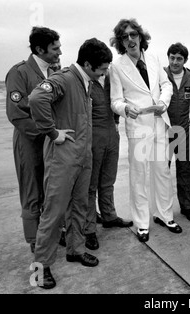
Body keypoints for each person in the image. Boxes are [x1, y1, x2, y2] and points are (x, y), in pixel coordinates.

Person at [29, 38, 113, 289]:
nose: (105, 72)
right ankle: (40, 268)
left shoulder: (85, 82)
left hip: (82, 157)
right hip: (63, 159)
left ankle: (75, 250)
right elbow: (35, 99)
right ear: (87, 64)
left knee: (80, 205)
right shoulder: (64, 79)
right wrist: (53, 133)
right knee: (54, 214)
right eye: (102, 68)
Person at [109, 18, 181, 243]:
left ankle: (164, 215)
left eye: (133, 35)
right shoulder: (116, 66)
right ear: (120, 42)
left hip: (159, 121)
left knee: (162, 171)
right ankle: (142, 223)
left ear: (140, 37)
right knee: (139, 176)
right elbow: (115, 100)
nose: (130, 40)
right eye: (125, 37)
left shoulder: (153, 58)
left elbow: (167, 84)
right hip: (138, 126)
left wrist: (163, 102)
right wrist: (125, 108)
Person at [5, 26, 61, 254]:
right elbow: (16, 114)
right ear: (40, 49)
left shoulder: (54, 72)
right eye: (55, 48)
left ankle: (50, 234)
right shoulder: (20, 73)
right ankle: (35, 242)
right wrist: (48, 133)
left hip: (50, 141)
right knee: (32, 193)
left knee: (50, 190)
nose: (59, 52)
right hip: (30, 142)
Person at [84, 73, 133, 251]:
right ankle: (89, 228)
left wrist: (116, 122)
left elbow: (117, 103)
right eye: (102, 66)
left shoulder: (111, 79)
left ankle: (109, 216)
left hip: (112, 134)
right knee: (90, 185)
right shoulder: (85, 81)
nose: (106, 70)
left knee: (108, 179)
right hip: (93, 136)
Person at [164, 42, 190, 223]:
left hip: (184, 130)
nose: (175, 62)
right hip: (164, 130)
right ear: (168, 57)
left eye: (179, 59)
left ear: (185, 60)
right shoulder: (160, 75)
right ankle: (163, 210)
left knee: (185, 170)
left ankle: (186, 206)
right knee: (162, 171)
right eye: (172, 58)